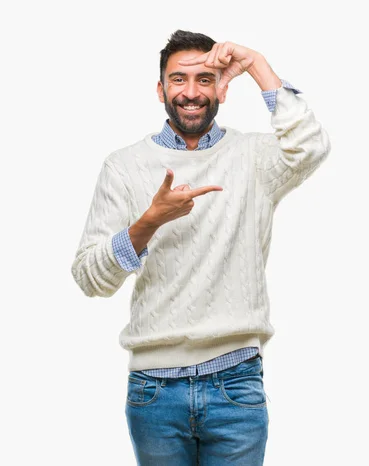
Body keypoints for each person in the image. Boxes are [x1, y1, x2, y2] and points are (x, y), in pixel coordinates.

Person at [70, 30, 330, 465]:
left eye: (205, 79)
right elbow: (89, 279)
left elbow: (311, 146)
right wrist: (149, 222)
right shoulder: (124, 166)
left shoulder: (254, 158)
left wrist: (257, 65)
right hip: (154, 390)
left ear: (221, 89)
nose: (191, 92)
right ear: (160, 90)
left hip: (236, 382)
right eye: (178, 80)